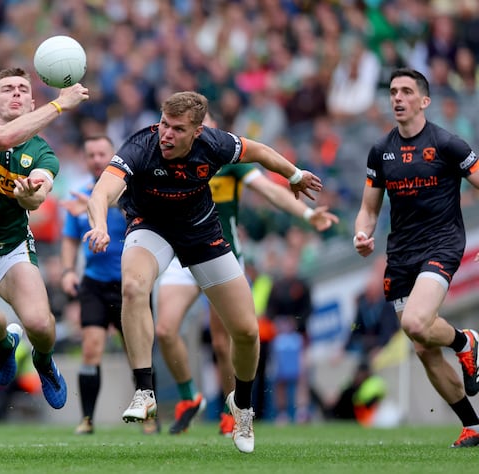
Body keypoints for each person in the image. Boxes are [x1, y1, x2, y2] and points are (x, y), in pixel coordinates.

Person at [84, 91, 323, 453]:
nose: (166, 134)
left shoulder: (215, 144)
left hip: (201, 232)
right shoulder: (140, 146)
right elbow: (101, 192)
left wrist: (293, 173)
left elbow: (258, 150)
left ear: (197, 131)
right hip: (151, 228)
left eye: (177, 129)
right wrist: (100, 225)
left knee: (245, 332)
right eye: (164, 123)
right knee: (133, 288)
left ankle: (242, 406)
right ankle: (144, 390)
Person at [154, 113, 338, 434]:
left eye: (206, 126)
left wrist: (308, 215)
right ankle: (189, 397)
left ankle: (232, 410)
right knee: (166, 330)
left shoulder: (228, 160)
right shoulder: (168, 158)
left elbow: (270, 190)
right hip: (181, 254)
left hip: (221, 256)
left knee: (225, 345)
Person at [0, 67, 89, 412]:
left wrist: (28, 195)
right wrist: (58, 106)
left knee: (39, 323)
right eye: (8, 89)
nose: (17, 93)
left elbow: (38, 197)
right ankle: (5, 343)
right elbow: (2, 139)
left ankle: (44, 361)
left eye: (23, 89)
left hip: (11, 249)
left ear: (31, 102)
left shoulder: (43, 153)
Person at [353, 67, 479, 448]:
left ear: (424, 101)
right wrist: (362, 232)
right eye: (393, 91)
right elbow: (369, 209)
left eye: (406, 91)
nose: (397, 98)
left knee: (417, 321)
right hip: (401, 254)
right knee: (422, 348)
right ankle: (473, 425)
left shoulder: (447, 144)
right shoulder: (381, 150)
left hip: (442, 245)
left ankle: (464, 342)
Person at [60, 135, 158, 435]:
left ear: (112, 155)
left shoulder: (131, 189)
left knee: (137, 351)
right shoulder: (79, 196)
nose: (96, 159)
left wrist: (102, 204)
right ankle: (87, 419)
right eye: (91, 154)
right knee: (90, 349)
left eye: (102, 153)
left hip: (131, 285)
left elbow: (142, 218)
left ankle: (149, 417)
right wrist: (67, 270)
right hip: (95, 283)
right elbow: (70, 238)